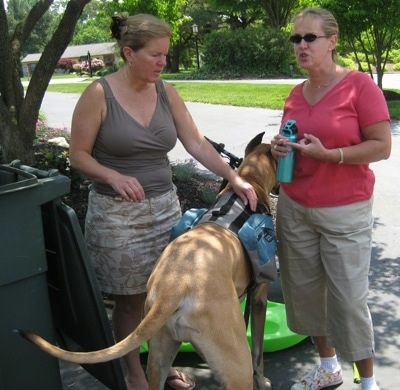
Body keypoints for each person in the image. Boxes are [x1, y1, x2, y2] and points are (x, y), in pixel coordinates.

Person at [69, 12, 258, 390]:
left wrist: (233, 176)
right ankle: (135, 373)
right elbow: (78, 154)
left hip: (166, 210)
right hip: (117, 217)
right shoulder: (98, 94)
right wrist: (113, 175)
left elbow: (197, 143)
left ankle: (161, 363)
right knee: (132, 301)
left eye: (166, 55)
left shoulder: (166, 92)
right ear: (128, 53)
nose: (163, 62)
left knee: (167, 296)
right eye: (155, 55)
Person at [271, 7, 391, 390]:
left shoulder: (359, 87)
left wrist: (332, 155)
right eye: (296, 39)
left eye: (310, 38)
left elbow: (382, 147)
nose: (302, 45)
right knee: (305, 293)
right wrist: (280, 147)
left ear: (332, 41)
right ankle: (328, 367)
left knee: (348, 300)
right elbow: (292, 137)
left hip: (344, 210)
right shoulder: (296, 92)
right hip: (295, 206)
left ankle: (369, 383)